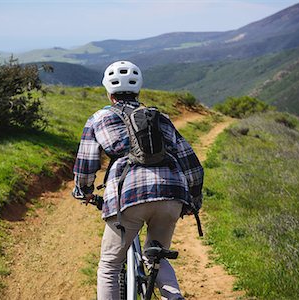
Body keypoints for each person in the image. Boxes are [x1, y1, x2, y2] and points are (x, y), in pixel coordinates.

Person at [72, 60, 204, 299]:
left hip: (128, 197)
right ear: (138, 90)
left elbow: (85, 166)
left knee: (110, 265)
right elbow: (192, 163)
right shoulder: (159, 117)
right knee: (157, 256)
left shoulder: (98, 118)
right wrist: (193, 200)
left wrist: (84, 192)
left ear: (109, 93)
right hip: (172, 194)